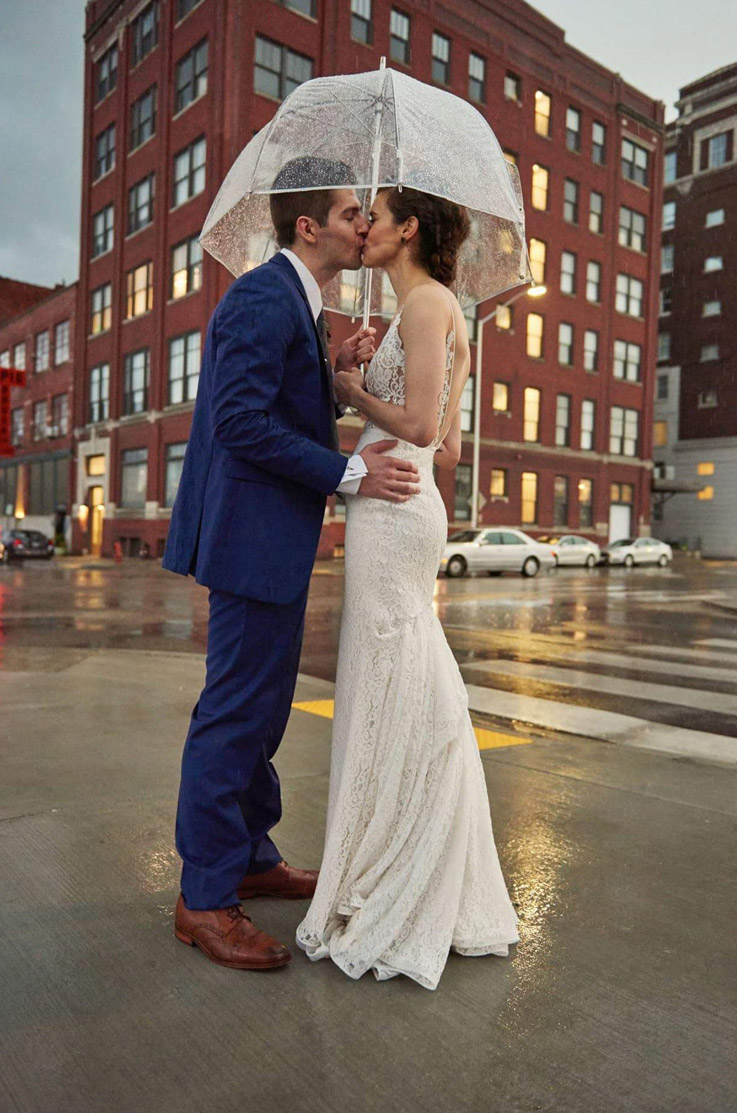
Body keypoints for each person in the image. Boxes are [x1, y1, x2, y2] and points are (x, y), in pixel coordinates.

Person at [162, 158, 421, 971]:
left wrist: (339, 379)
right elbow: (239, 423)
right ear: (308, 226)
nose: (363, 225)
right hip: (246, 538)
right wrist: (350, 472)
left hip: (271, 537)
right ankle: (203, 897)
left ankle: (250, 855)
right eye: (350, 213)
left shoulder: (301, 307)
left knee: (264, 709)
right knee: (234, 713)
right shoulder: (259, 296)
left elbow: (279, 404)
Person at [296, 187, 520, 990]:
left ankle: (395, 860)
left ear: (408, 229)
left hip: (392, 512)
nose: (365, 228)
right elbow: (452, 446)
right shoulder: (433, 311)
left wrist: (348, 386)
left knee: (392, 672)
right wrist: (362, 368)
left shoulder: (425, 306)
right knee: (397, 671)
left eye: (376, 216)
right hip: (401, 503)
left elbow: (424, 428)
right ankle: (398, 844)